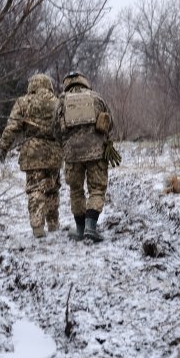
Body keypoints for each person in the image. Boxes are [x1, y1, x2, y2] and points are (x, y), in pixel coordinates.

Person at [0, 73, 63, 238]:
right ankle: (53, 223)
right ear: (48, 85)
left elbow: (12, 127)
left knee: (35, 188)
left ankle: (37, 226)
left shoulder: (23, 102)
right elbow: (65, 127)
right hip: (54, 152)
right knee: (52, 187)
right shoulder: (58, 102)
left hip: (32, 153)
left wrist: (3, 147)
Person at [52, 71, 115, 242]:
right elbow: (110, 123)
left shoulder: (61, 102)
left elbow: (55, 131)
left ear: (66, 84)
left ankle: (80, 230)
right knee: (97, 189)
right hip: (96, 153)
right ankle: (90, 227)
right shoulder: (96, 98)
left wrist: (66, 145)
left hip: (72, 155)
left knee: (76, 190)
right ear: (85, 82)